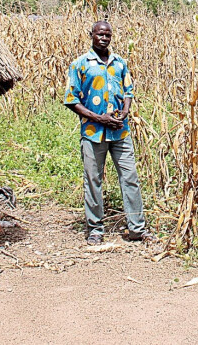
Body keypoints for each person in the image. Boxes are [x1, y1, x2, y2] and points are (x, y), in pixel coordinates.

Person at [63, 20, 147, 244]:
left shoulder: (120, 63)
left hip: (120, 132)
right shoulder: (80, 64)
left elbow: (128, 91)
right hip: (93, 132)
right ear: (91, 34)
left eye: (107, 35)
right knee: (93, 180)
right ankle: (95, 229)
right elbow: (72, 100)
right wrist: (100, 118)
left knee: (130, 178)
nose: (104, 38)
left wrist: (124, 112)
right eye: (100, 34)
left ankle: (137, 228)